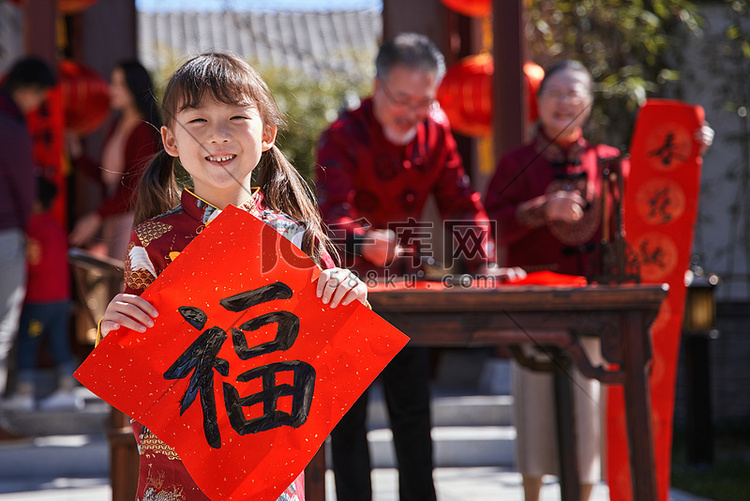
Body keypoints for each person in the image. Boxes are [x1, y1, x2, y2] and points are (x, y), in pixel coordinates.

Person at [97, 52, 368, 501]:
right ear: (169, 140)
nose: (218, 134)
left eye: (237, 117)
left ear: (267, 134)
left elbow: (338, 351)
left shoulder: (293, 237)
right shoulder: (153, 240)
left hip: (266, 457)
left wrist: (351, 296)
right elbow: (137, 367)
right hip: (178, 466)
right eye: (197, 120)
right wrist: (112, 331)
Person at [483, 59, 713, 501]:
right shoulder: (514, 162)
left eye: (574, 93)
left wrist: (689, 149)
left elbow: (652, 203)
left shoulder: (609, 162)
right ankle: (531, 495)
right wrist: (539, 210)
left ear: (587, 105)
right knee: (534, 409)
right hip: (533, 304)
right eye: (555, 92)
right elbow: (486, 226)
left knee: (589, 414)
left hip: (594, 307)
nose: (563, 101)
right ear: (539, 100)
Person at [315, 32, 521, 501]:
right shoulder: (341, 136)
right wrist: (364, 240)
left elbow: (461, 203)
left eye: (424, 100)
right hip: (344, 291)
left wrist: (483, 261)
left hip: (406, 292)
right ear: (377, 85)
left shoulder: (436, 133)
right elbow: (331, 214)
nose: (412, 111)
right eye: (401, 99)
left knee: (412, 410)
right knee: (348, 421)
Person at [0, 56, 56, 440]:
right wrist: (23, 226)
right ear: (29, 90)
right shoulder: (12, 126)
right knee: (2, 328)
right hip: (4, 232)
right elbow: (24, 188)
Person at [69, 60, 161, 261]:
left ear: (133, 88)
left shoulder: (144, 131)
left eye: (119, 84)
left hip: (134, 219)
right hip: (114, 216)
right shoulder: (115, 125)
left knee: (125, 282)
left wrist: (96, 216)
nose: (112, 90)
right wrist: (78, 156)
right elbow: (108, 178)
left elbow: (135, 187)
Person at [2, 178, 81, 412]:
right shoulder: (56, 227)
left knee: (29, 341)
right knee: (59, 342)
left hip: (39, 304)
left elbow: (35, 263)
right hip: (60, 301)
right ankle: (69, 389)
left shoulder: (33, 228)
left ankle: (24, 392)